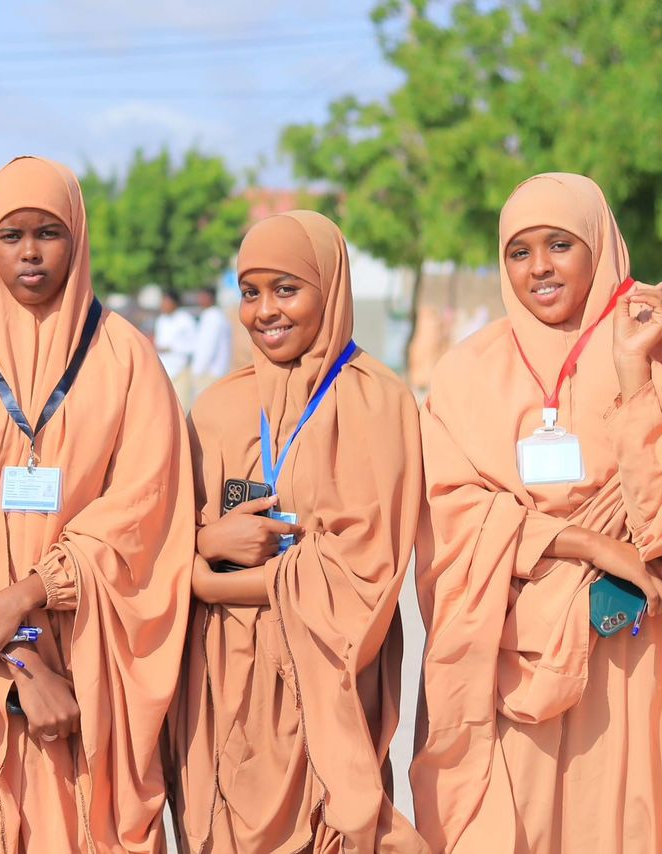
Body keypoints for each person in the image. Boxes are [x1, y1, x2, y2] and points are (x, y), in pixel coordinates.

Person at [0, 156, 194, 852]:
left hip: (92, 655)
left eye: (49, 233)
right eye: (11, 235)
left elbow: (144, 512)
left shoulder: (126, 358)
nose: (31, 253)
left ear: (79, 238)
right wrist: (23, 662)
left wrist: (33, 592)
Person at [412, 173, 662, 853]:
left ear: (600, 245)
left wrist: (635, 375)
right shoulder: (467, 372)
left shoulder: (649, 339)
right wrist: (589, 543)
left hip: (635, 648)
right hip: (513, 649)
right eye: (519, 252)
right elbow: (451, 513)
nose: (540, 267)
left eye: (560, 244)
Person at [167, 211, 425, 853]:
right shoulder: (219, 406)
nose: (265, 311)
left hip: (326, 680)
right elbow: (164, 530)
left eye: (286, 289)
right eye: (249, 292)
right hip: (224, 685)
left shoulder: (377, 402)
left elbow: (366, 568)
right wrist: (204, 544)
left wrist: (211, 584)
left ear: (330, 287)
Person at [154, 288, 196, 407]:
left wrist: (172, 348)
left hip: (181, 370)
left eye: (166, 302)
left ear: (174, 303)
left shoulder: (185, 320)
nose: (163, 305)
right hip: (164, 371)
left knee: (181, 406)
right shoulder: (161, 320)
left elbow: (193, 345)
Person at [190, 285, 233, 397]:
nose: (199, 299)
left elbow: (207, 347)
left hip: (209, 373)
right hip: (213, 372)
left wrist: (197, 371)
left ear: (210, 297)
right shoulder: (214, 315)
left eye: (202, 296)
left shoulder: (212, 317)